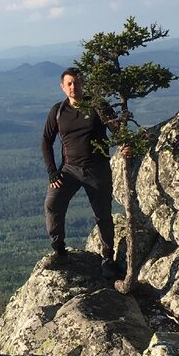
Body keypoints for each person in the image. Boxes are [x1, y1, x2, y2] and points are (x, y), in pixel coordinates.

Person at [41, 67, 119, 276]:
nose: (73, 87)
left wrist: (126, 144)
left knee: (102, 214)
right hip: (69, 170)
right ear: (62, 87)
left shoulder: (97, 105)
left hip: (97, 169)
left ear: (82, 83)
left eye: (76, 82)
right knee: (53, 204)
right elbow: (46, 141)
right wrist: (52, 172)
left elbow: (117, 128)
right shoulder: (58, 111)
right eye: (69, 84)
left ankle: (108, 258)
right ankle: (59, 251)